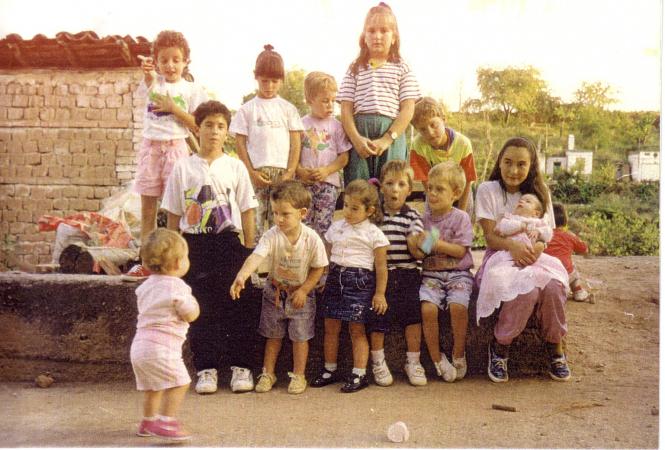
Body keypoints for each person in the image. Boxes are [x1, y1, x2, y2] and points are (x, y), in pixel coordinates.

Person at [161, 100, 260, 395]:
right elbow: (173, 215)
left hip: (228, 244)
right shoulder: (183, 167)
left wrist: (248, 250)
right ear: (197, 128)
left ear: (227, 132)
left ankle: (241, 366)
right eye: (208, 125)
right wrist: (172, 255)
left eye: (220, 126)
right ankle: (206, 368)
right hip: (195, 245)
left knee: (238, 303)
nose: (214, 132)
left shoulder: (235, 167)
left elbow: (248, 210)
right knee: (200, 306)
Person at [475, 136, 571, 383]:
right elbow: (490, 237)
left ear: (531, 166)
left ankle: (555, 346)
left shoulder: (540, 193)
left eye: (521, 164)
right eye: (508, 162)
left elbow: (545, 235)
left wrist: (536, 250)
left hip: (534, 256)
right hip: (501, 256)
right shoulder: (488, 190)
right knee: (525, 290)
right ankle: (500, 346)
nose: (513, 170)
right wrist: (513, 247)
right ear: (499, 162)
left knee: (553, 287)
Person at [230, 180, 328, 394]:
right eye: (275, 213)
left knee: (300, 337)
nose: (279, 219)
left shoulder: (311, 239)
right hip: (274, 293)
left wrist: (304, 290)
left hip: (300, 295)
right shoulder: (272, 235)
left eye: (285, 214)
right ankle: (268, 372)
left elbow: (319, 267)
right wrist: (243, 274)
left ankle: (299, 374)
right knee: (272, 335)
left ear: (302, 213)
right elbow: (257, 256)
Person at [129, 30, 209, 277]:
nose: (170, 65)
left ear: (186, 61)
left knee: (178, 208)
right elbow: (148, 82)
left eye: (176, 60)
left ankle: (177, 262)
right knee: (148, 209)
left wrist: (174, 109)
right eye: (164, 60)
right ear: (156, 62)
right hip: (151, 148)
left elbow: (198, 123)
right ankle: (146, 263)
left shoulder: (191, 89)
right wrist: (148, 74)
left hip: (176, 148)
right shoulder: (154, 84)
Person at [311, 180, 389, 393]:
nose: (348, 211)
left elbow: (381, 268)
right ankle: (330, 369)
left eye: (355, 208)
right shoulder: (336, 228)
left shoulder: (374, 234)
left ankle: (359, 373)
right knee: (331, 326)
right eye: (345, 205)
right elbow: (326, 256)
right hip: (335, 278)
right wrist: (323, 277)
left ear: (369, 210)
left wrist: (380, 293)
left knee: (357, 328)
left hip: (360, 282)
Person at [338, 2, 421, 184]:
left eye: (384, 31)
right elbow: (345, 109)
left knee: (391, 186)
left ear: (394, 37)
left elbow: (408, 109)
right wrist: (356, 139)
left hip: (391, 134)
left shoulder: (402, 67)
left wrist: (387, 139)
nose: (377, 36)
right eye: (371, 31)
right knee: (359, 189)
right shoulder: (355, 68)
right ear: (364, 37)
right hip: (360, 135)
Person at [230, 44, 304, 245]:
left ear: (281, 80)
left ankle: (277, 264)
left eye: (274, 81)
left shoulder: (288, 109)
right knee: (253, 222)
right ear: (256, 77)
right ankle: (252, 263)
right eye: (264, 81)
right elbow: (240, 143)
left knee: (281, 224)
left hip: (282, 175)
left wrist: (289, 172)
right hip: (256, 175)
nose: (269, 86)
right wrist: (251, 172)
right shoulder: (247, 109)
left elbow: (295, 143)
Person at [130, 228, 199, 441]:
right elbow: (189, 314)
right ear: (178, 263)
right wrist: (195, 307)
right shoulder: (177, 286)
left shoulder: (145, 287)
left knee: (153, 386)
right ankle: (167, 422)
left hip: (140, 347)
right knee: (181, 382)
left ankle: (148, 422)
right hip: (162, 348)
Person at [367, 160, 427, 387]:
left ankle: (413, 361)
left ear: (409, 190)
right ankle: (378, 361)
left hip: (408, 273)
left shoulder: (413, 216)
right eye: (390, 183)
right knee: (378, 315)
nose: (395, 189)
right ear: (381, 187)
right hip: (382, 276)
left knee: (413, 316)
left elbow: (421, 246)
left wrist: (418, 243)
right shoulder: (374, 215)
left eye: (401, 184)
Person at [412, 161, 474, 382]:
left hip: (458, 273)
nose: (432, 193)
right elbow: (423, 252)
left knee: (458, 306)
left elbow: (460, 251)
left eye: (439, 189)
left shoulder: (461, 217)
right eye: (430, 188)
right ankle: (437, 358)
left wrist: (435, 243)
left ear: (455, 193)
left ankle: (458, 352)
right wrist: (418, 244)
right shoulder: (423, 219)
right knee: (427, 309)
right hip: (432, 275)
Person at [476, 194, 569, 323]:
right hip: (510, 256)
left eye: (527, 201)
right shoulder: (510, 219)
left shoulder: (539, 222)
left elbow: (548, 234)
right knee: (502, 276)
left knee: (553, 277)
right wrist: (521, 226)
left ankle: (552, 329)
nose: (522, 202)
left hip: (534, 257)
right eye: (521, 200)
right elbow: (503, 229)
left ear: (536, 213)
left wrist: (539, 233)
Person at [297, 71, 351, 237]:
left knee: (324, 226)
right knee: (303, 225)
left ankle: (323, 254)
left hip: (328, 184)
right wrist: (300, 171)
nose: (330, 105)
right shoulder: (300, 125)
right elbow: (293, 155)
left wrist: (327, 170)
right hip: (304, 185)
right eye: (325, 101)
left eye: (333, 101)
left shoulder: (337, 126)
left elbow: (344, 157)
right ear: (310, 100)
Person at [409, 97, 477, 215]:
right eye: (423, 130)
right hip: (434, 190)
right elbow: (426, 181)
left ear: (443, 119)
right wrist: (436, 207)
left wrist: (462, 213)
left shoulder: (463, 144)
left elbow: (468, 180)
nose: (430, 133)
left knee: (463, 219)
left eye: (433, 125)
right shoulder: (417, 145)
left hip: (460, 190)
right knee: (433, 219)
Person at [545, 202, 591, 302]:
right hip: (565, 275)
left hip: (546, 275)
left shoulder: (542, 235)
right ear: (565, 220)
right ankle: (578, 291)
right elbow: (584, 249)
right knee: (572, 266)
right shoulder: (569, 235)